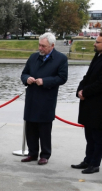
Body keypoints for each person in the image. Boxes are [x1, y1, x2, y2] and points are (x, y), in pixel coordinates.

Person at [72, 31, 102, 174]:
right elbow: (88, 76)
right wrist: (80, 90)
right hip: (88, 102)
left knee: (97, 136)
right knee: (89, 134)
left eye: (97, 42)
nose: (94, 43)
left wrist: (85, 92)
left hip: (99, 104)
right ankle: (88, 159)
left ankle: (95, 163)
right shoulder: (98, 56)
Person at [20, 32, 68, 165]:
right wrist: (27, 79)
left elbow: (62, 78)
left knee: (44, 128)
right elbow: (24, 73)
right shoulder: (33, 57)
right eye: (39, 45)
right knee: (30, 127)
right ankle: (32, 153)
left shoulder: (60, 59)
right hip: (32, 97)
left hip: (47, 98)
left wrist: (45, 81)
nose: (40, 48)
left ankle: (45, 154)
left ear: (52, 46)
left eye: (43, 46)